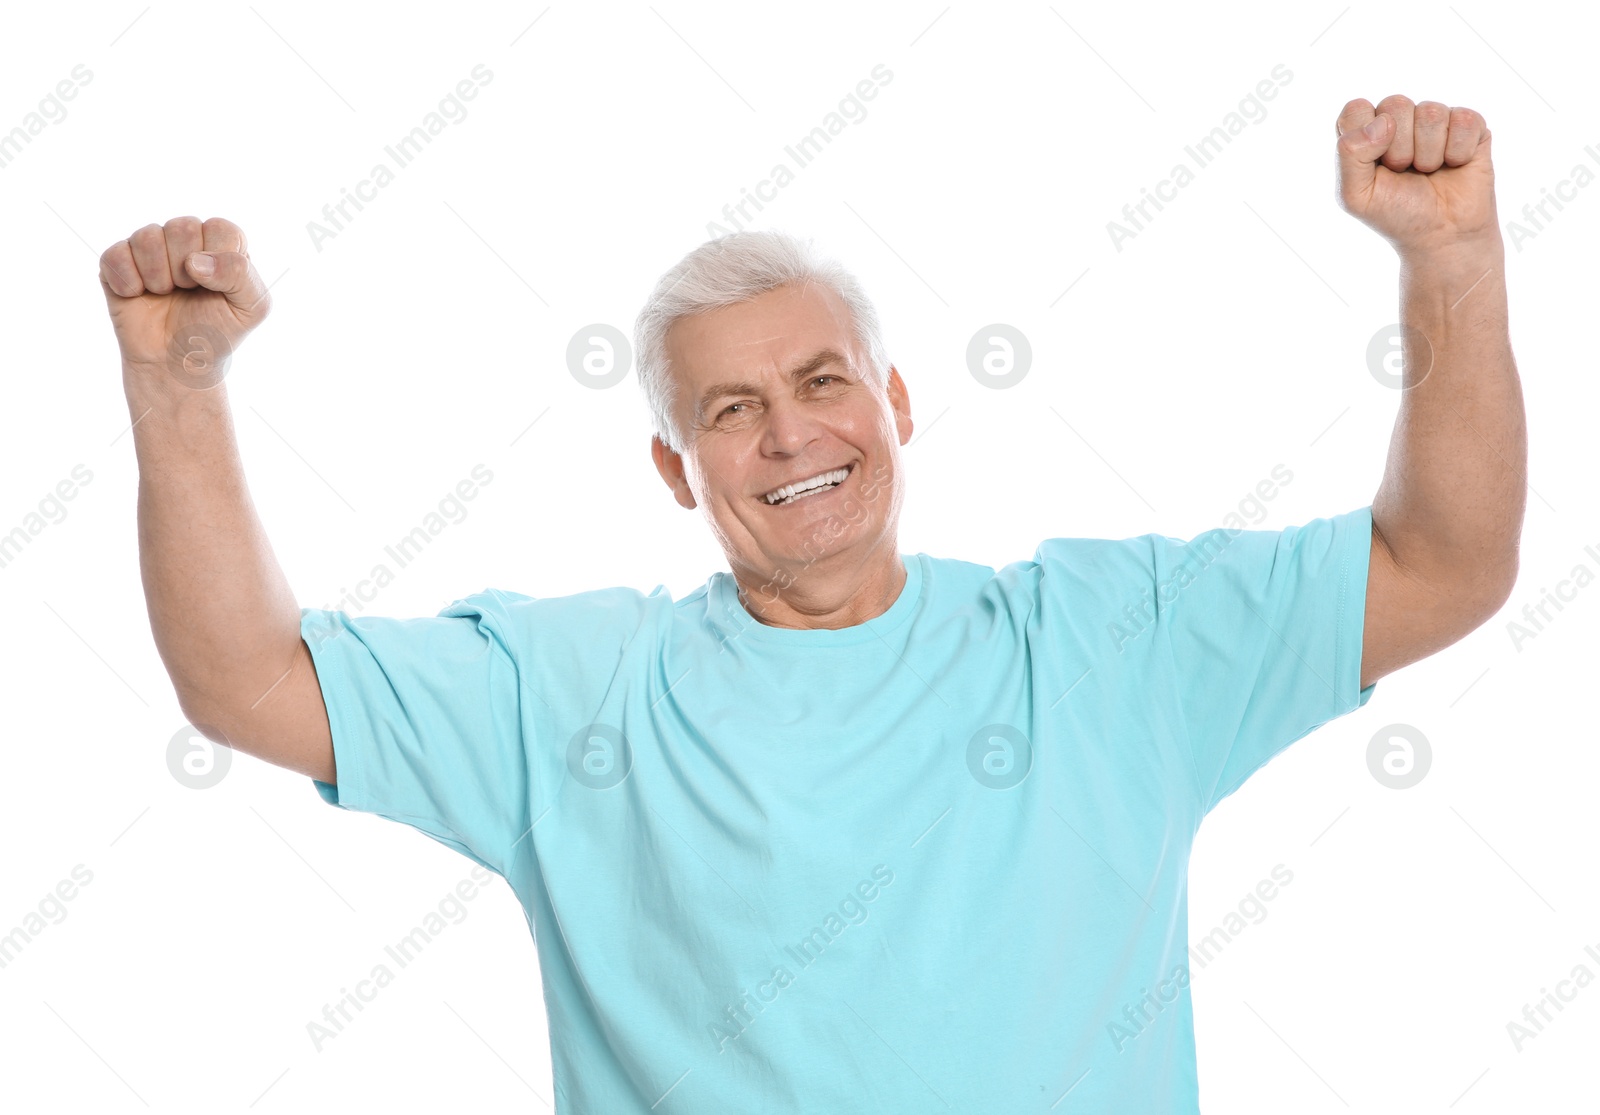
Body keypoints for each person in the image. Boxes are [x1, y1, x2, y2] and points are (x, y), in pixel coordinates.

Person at [99, 95, 1524, 1113]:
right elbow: (245, 679)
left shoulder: (1110, 644)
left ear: (896, 405)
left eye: (824, 382)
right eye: (732, 410)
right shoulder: (577, 694)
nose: (790, 437)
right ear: (676, 468)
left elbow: (1443, 566)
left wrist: (1448, 264)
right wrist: (177, 390)